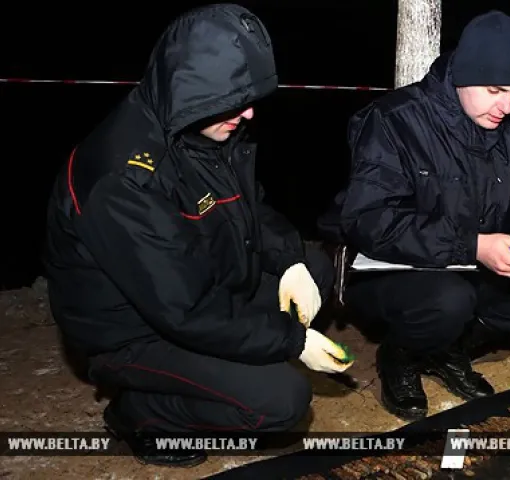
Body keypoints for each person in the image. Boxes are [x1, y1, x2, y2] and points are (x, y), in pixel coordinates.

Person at [43, 4, 351, 468]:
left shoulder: (200, 125)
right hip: (135, 333)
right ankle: (140, 413)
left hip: (202, 285)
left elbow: (252, 212)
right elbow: (184, 309)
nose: (248, 113)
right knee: (279, 401)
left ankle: (231, 368)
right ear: (195, 90)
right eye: (235, 100)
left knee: (316, 268)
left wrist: (289, 262)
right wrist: (291, 342)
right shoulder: (123, 178)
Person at [318, 10, 510, 421]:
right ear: (463, 73)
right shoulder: (393, 121)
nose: (507, 106)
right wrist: (474, 245)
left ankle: (449, 349)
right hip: (390, 272)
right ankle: (401, 356)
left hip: (473, 264)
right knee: (448, 301)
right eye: (496, 90)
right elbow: (368, 221)